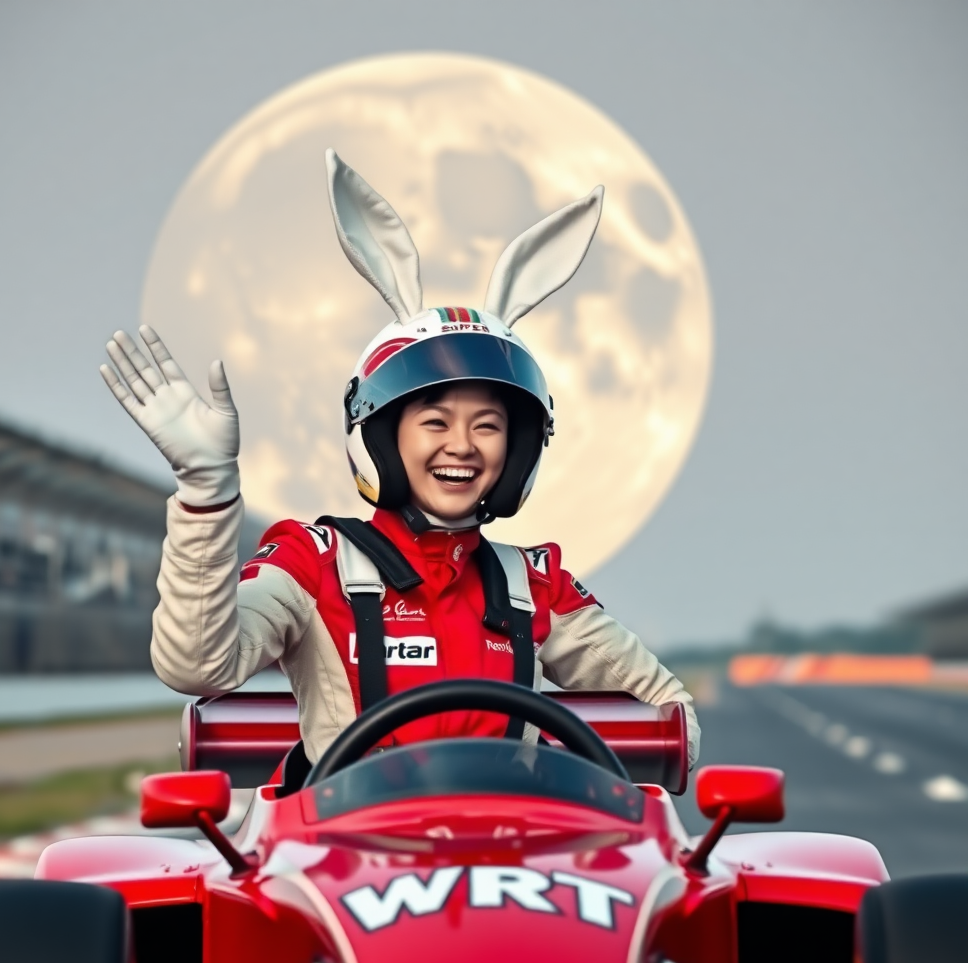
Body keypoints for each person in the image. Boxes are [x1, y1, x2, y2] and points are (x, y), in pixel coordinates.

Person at [100, 149, 700, 781]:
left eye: (488, 425)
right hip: (342, 857)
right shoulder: (312, 561)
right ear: (382, 438)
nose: (463, 445)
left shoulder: (536, 583)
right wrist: (206, 489)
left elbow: (672, 716)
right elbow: (196, 668)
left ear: (517, 451)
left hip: (512, 851)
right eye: (435, 421)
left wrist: (563, 775)